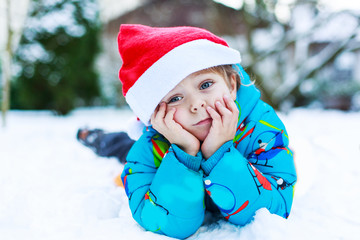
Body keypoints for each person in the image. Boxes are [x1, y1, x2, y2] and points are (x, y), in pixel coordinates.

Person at [83, 24, 297, 239]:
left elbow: (274, 211)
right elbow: (163, 223)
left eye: (205, 85)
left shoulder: (261, 128)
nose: (196, 105)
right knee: (123, 146)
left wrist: (219, 153)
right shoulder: (151, 146)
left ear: (232, 85)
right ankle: (95, 137)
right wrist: (184, 153)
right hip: (161, 146)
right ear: (155, 113)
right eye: (175, 98)